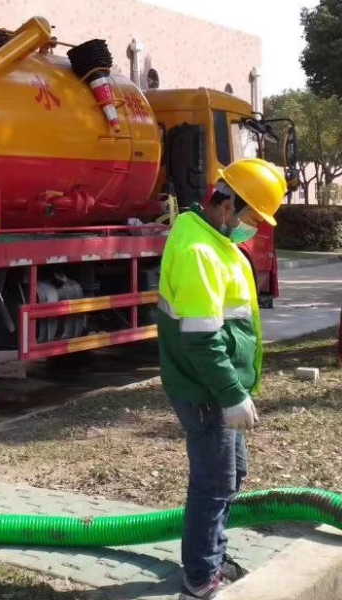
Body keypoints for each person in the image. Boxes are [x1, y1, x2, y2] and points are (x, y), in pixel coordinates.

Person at [156, 158, 287, 600]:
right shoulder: (199, 251)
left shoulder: (213, 238)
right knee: (214, 482)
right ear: (229, 206)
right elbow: (201, 339)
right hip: (206, 391)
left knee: (232, 473)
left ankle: (212, 554)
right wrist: (231, 394)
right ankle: (200, 577)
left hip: (213, 386)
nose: (255, 227)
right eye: (254, 218)